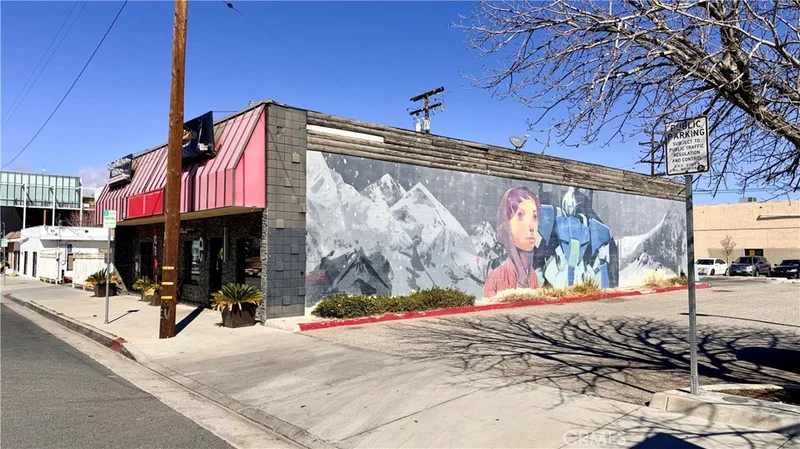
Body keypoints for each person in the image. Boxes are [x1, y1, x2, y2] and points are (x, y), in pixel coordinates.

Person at [484, 186, 542, 298]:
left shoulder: (533, 276)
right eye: (520, 215)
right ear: (506, 224)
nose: (531, 227)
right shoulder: (495, 278)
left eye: (534, 216)